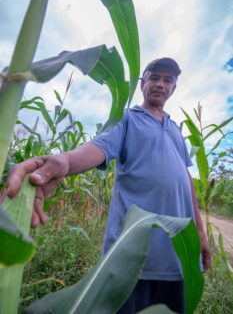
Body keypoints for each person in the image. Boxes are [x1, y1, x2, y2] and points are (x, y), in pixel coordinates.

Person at [6, 57, 211, 314]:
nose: (160, 84)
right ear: (142, 83)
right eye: (154, 77)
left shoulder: (175, 130)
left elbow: (186, 182)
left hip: (178, 256)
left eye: (167, 80)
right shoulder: (126, 119)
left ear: (174, 88)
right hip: (132, 259)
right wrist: (65, 162)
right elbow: (98, 148)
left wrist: (200, 232)